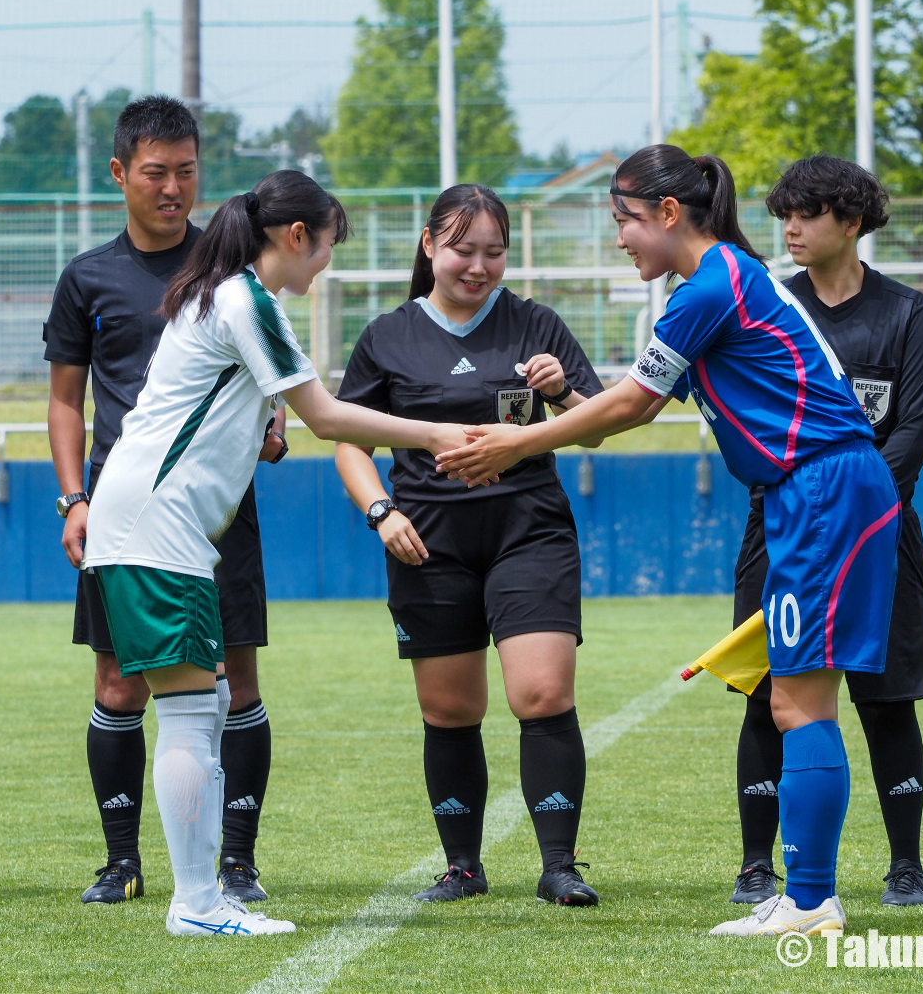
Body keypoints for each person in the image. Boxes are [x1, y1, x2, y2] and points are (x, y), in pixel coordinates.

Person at [436, 145, 902, 938]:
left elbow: (626, 406)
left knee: (800, 701)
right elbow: (626, 407)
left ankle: (813, 901)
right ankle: (808, 897)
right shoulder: (715, 285)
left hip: (823, 491)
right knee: (796, 699)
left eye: (624, 221)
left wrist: (514, 446)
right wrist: (551, 408)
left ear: (670, 213)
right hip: (813, 493)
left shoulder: (712, 286)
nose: (620, 240)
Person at [81, 169, 469, 937]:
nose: (325, 265)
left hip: (152, 524)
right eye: (326, 248)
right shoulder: (243, 298)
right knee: (192, 717)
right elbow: (325, 417)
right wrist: (435, 434)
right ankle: (196, 904)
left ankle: (204, 896)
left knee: (205, 705)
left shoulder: (219, 292)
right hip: (156, 528)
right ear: (296, 238)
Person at [335, 184, 606, 907]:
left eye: (493, 252)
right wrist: (380, 511)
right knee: (450, 712)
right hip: (428, 541)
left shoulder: (536, 325)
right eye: (463, 250)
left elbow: (601, 424)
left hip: (529, 531)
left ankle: (559, 866)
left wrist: (566, 394)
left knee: (541, 692)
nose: (478, 266)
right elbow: (348, 441)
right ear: (429, 246)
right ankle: (462, 866)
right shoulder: (387, 336)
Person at [45, 95, 284, 907]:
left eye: (186, 171)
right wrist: (72, 495)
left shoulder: (228, 278)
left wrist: (272, 426)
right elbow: (64, 401)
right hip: (124, 512)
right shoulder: (88, 277)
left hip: (219, 511)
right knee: (118, 686)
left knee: (236, 684)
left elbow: (265, 383)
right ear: (120, 173)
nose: (173, 187)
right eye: (156, 172)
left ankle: (236, 863)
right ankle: (122, 861)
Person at [727, 156, 923, 908]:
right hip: (779, 528)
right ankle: (759, 864)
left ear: (850, 222)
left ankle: (905, 865)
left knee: (886, 697)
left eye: (807, 214)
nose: (789, 228)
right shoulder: (769, 309)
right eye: (783, 213)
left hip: (879, 530)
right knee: (766, 691)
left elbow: (914, 426)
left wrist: (865, 511)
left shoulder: (906, 311)